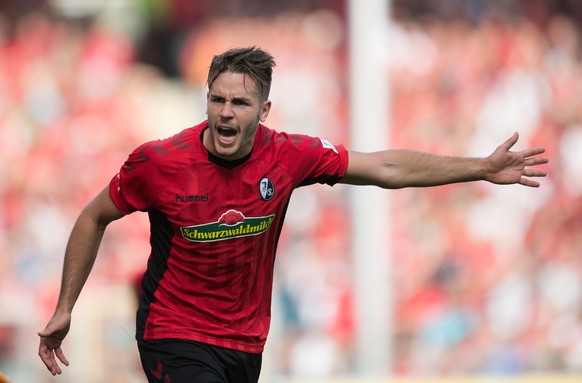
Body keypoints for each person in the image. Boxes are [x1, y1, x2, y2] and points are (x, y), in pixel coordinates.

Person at [38, 46, 548, 382]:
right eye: (216, 99)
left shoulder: (290, 155)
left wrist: (479, 167)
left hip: (246, 342)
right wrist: (65, 308)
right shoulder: (161, 162)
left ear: (264, 111)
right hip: (174, 330)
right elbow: (92, 217)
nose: (224, 113)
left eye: (239, 102)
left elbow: (385, 166)